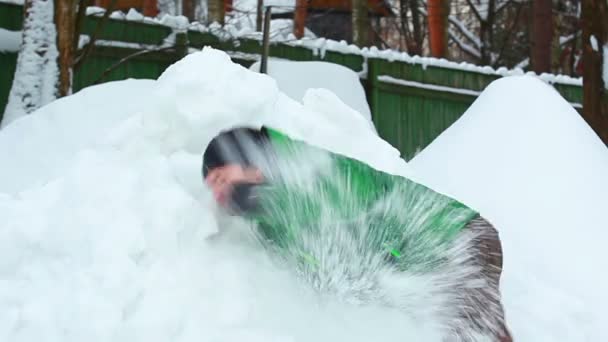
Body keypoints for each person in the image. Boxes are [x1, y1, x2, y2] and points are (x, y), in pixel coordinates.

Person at [202, 126, 513, 342]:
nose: (218, 193)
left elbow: (356, 215)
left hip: (455, 238)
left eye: (220, 177)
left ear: (251, 164)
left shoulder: (311, 170)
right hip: (432, 264)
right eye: (212, 186)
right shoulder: (272, 220)